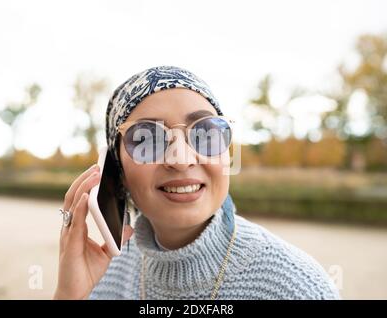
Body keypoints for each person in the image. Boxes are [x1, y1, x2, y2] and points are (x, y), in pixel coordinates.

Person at [54, 66, 340, 300]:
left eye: (205, 132)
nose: (181, 159)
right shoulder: (101, 275)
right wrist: (69, 296)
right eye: (148, 139)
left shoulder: (298, 288)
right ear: (117, 172)